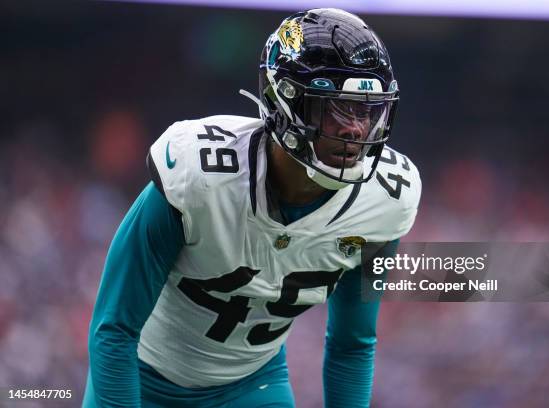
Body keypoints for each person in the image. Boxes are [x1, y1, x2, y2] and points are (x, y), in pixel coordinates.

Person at [83, 8, 421, 408]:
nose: (356, 129)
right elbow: (114, 330)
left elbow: (353, 344)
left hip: (251, 387)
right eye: (336, 107)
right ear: (285, 101)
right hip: (141, 378)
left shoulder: (383, 200)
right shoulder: (199, 175)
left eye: (366, 109)